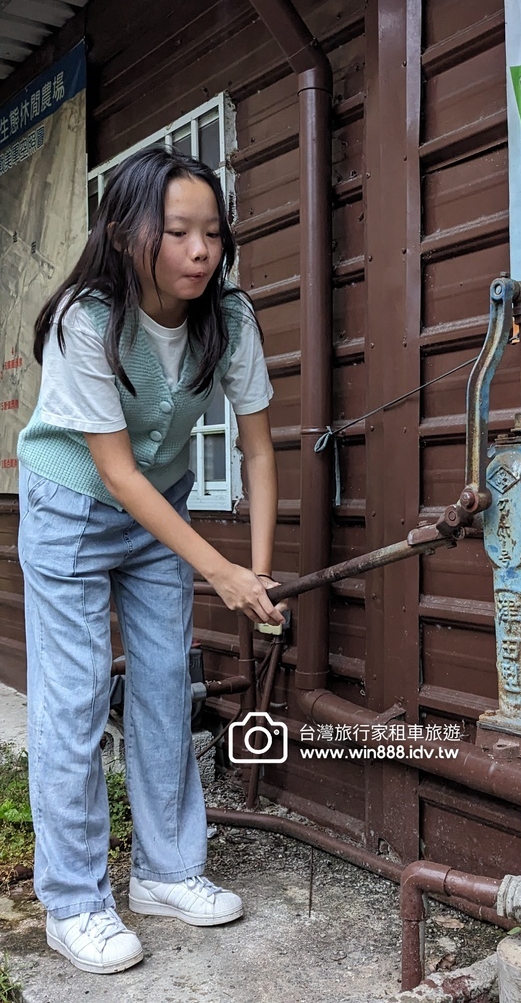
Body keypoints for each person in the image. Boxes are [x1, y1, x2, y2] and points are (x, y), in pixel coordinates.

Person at [16, 146, 286, 975]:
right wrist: (220, 571)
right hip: (73, 504)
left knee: (168, 686)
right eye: (177, 232)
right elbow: (116, 472)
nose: (200, 251)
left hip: (159, 507)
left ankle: (167, 873)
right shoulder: (86, 319)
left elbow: (257, 449)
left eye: (212, 232)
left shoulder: (228, 316)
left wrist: (256, 571)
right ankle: (74, 903)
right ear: (126, 232)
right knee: (74, 699)